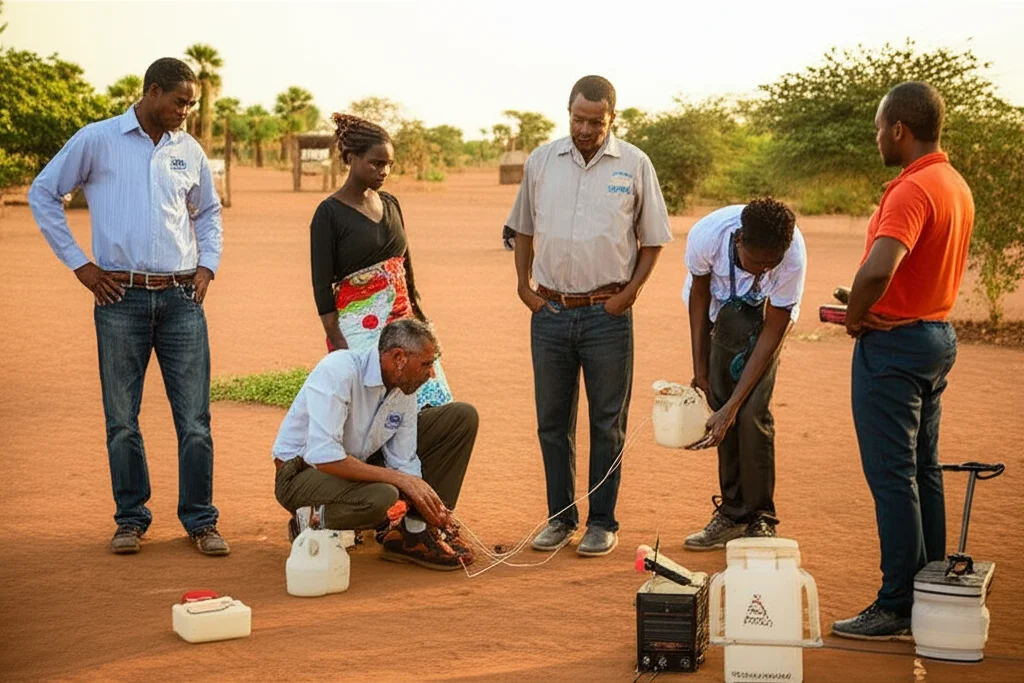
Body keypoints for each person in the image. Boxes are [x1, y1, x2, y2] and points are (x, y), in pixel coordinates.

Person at [27, 58, 228, 556]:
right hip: (119, 298)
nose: (186, 111)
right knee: (122, 418)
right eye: (180, 101)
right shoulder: (98, 140)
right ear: (153, 91)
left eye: (192, 104)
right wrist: (81, 266)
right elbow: (44, 192)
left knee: (195, 420)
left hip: (183, 297)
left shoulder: (189, 150)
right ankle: (131, 519)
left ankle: (201, 521)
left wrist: (208, 267)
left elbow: (208, 213)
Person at [505, 75, 673, 557]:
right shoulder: (541, 161)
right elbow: (523, 228)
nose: (584, 128)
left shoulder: (635, 164)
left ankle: (601, 521)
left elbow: (653, 238)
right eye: (578, 119)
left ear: (611, 118)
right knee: (552, 422)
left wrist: (630, 295)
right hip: (551, 310)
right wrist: (524, 288)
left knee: (606, 422)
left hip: (607, 314)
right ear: (568, 112)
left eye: (595, 121)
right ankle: (560, 519)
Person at [832, 82, 974, 640]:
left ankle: (896, 603)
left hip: (893, 349)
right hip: (935, 336)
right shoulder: (953, 183)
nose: (874, 137)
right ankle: (930, 585)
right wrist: (869, 301)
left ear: (898, 129)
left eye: (877, 127)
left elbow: (879, 268)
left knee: (892, 477)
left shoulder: (911, 190)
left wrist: (857, 315)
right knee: (923, 469)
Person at [272, 319, 479, 571]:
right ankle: (310, 518)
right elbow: (324, 456)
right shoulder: (339, 371)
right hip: (302, 474)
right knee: (382, 496)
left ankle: (415, 533)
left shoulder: (405, 388)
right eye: (426, 364)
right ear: (399, 358)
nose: (432, 373)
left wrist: (424, 504)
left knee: (461, 416)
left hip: (358, 461)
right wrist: (401, 481)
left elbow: (404, 459)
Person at [681, 198, 807, 549]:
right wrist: (700, 369)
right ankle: (733, 514)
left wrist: (733, 407)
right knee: (720, 405)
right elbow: (699, 297)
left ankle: (761, 518)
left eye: (772, 264)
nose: (765, 271)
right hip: (720, 315)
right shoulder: (707, 236)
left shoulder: (792, 252)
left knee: (750, 413)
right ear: (738, 240)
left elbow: (775, 326)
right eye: (757, 262)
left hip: (767, 322)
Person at [310, 113, 453, 410]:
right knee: (375, 406)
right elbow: (322, 286)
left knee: (427, 400)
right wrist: (338, 343)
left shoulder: (390, 203)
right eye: (376, 163)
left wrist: (419, 315)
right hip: (359, 329)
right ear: (351, 157)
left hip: (404, 320)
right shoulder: (329, 214)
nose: (384, 170)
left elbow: (405, 264)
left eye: (389, 164)